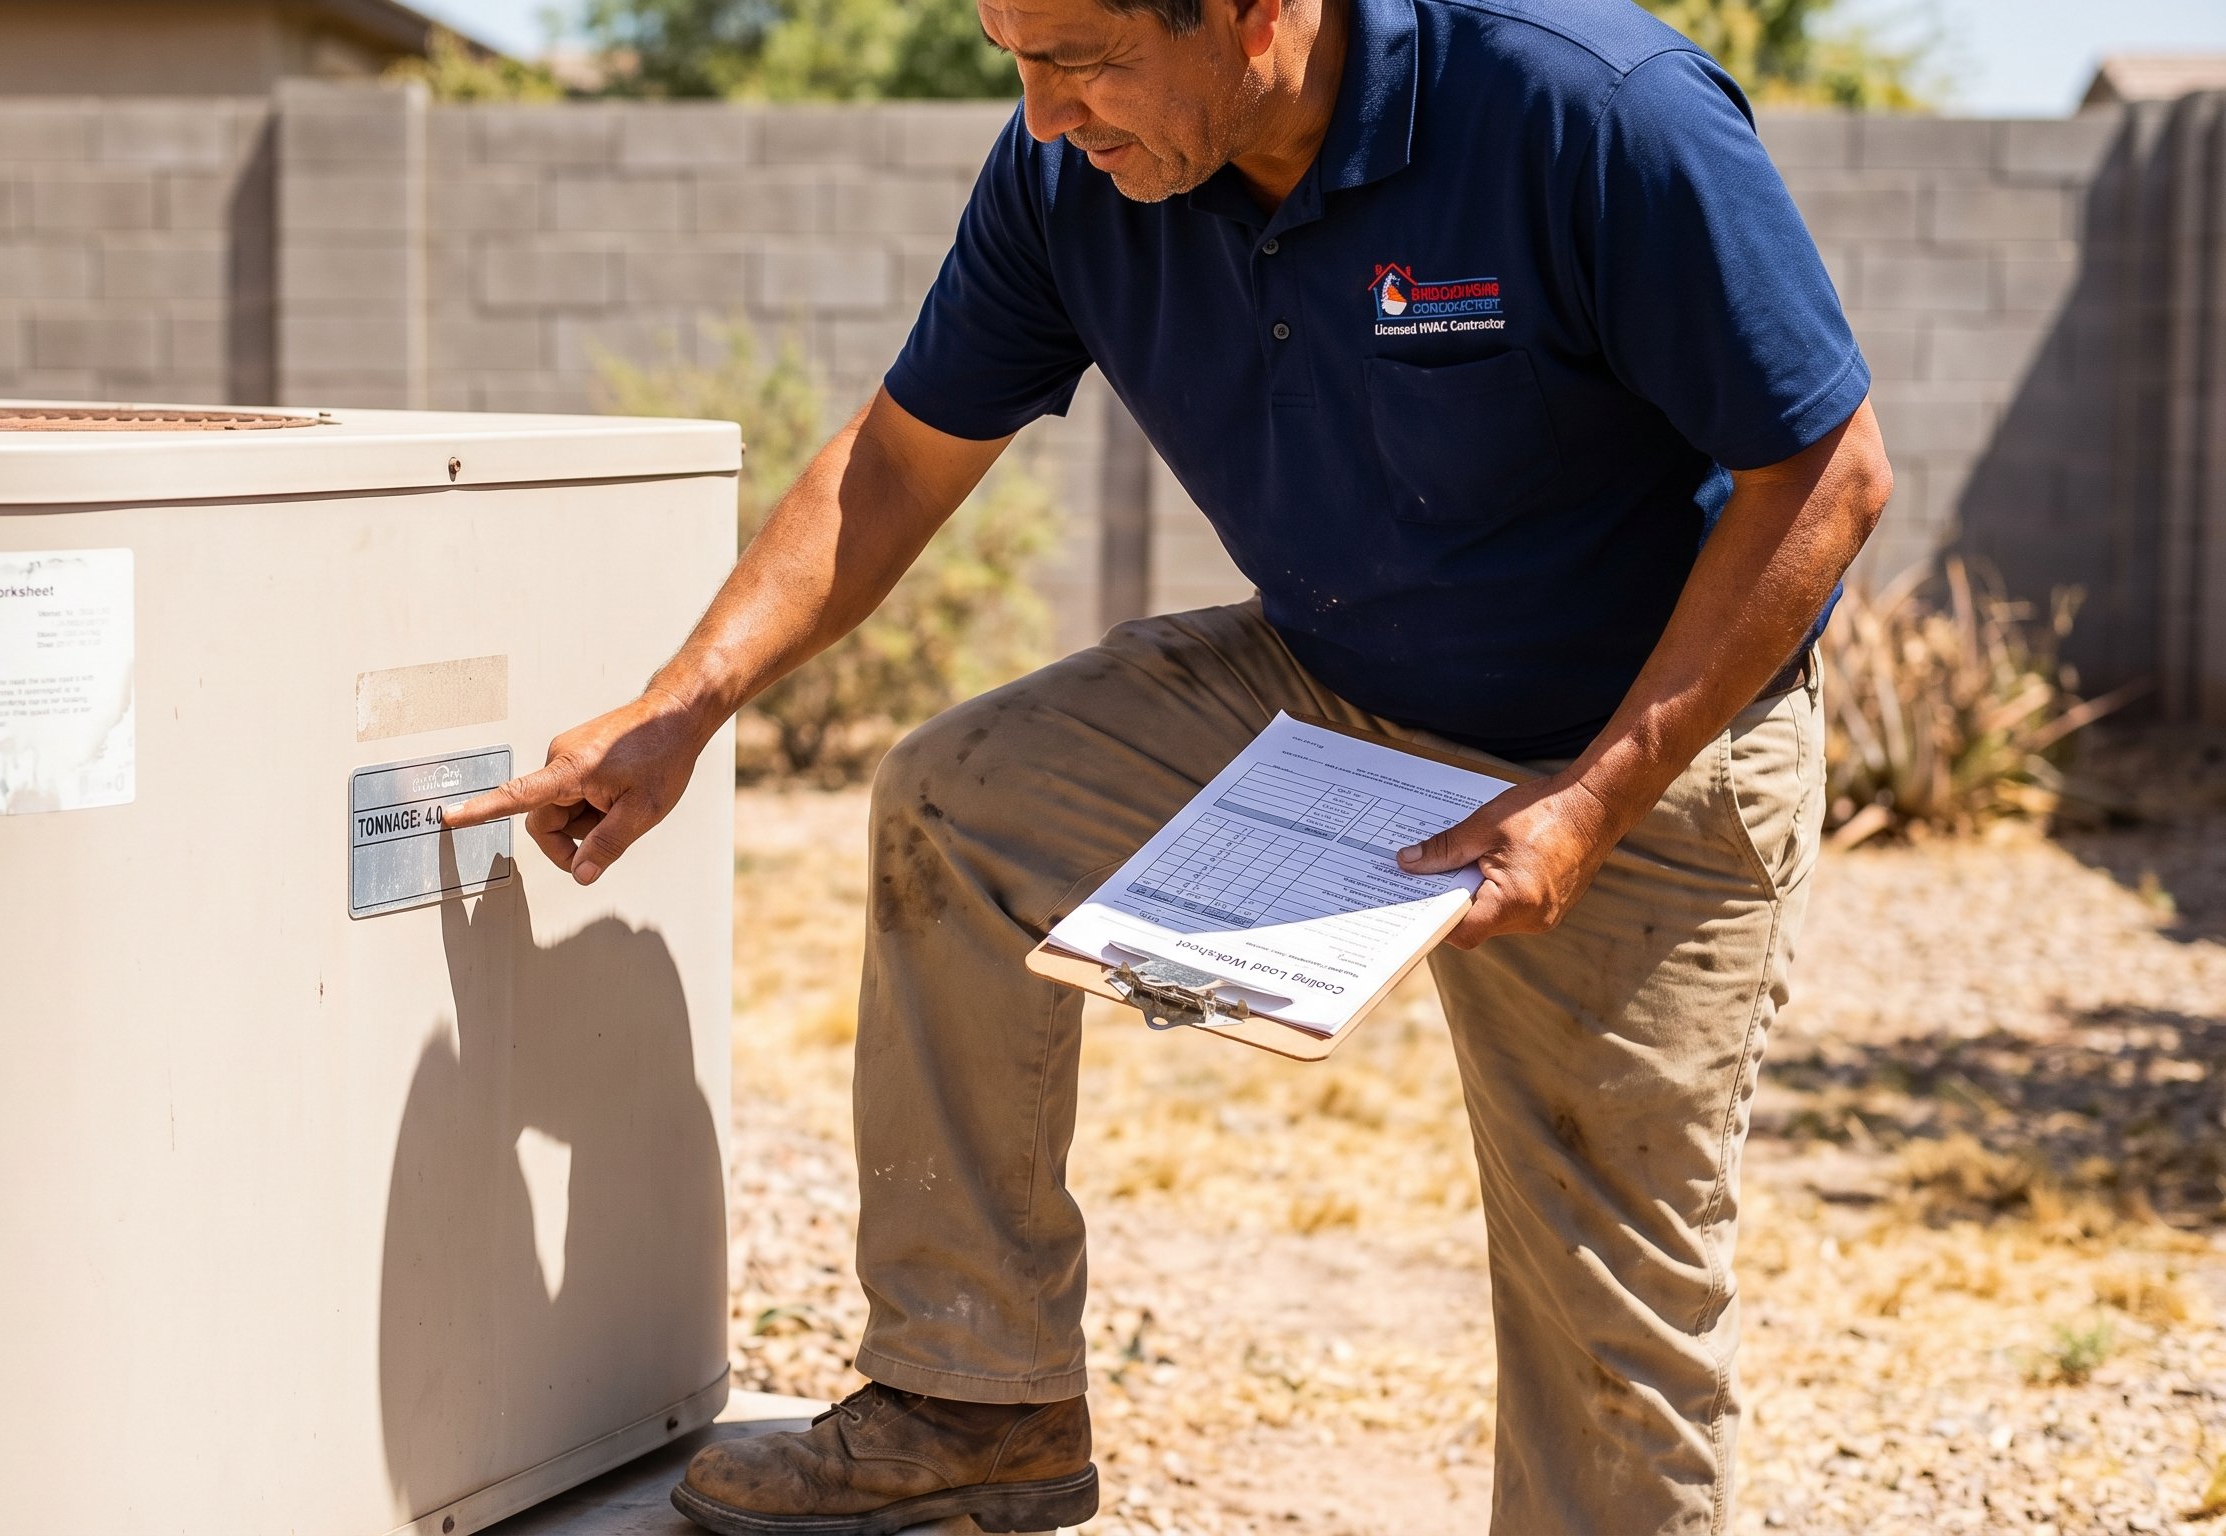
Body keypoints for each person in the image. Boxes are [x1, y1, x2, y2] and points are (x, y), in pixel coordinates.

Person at [446, 0, 1892, 1526]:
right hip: (1335, 682)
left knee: (1605, 1307)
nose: (1041, 112)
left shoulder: (1594, 111)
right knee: (961, 806)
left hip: (1632, 741)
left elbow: (1830, 475)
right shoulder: (1070, 175)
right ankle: (973, 1403)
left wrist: (1596, 797)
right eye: (1014, 58)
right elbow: (894, 461)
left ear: (1257, 14)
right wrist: (683, 704)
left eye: (1079, 58)